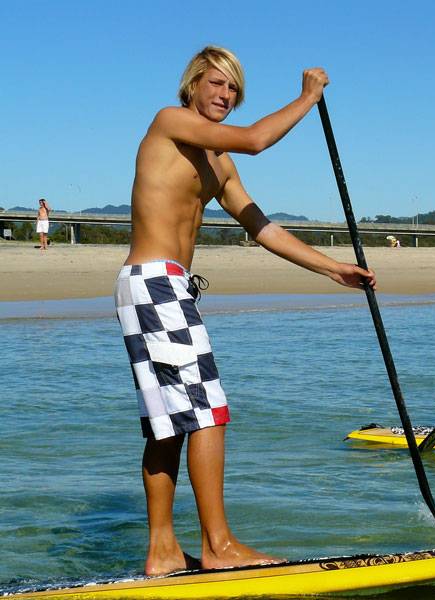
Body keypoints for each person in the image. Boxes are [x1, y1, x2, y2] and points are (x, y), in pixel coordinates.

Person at [114, 46, 376, 576]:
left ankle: (164, 553)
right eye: (215, 84)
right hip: (155, 284)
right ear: (192, 85)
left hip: (162, 288)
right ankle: (220, 545)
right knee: (208, 413)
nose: (224, 95)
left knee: (168, 426)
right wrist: (308, 98)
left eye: (233, 88)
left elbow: (263, 228)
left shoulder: (218, 163)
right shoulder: (171, 122)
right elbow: (257, 138)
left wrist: (333, 269)